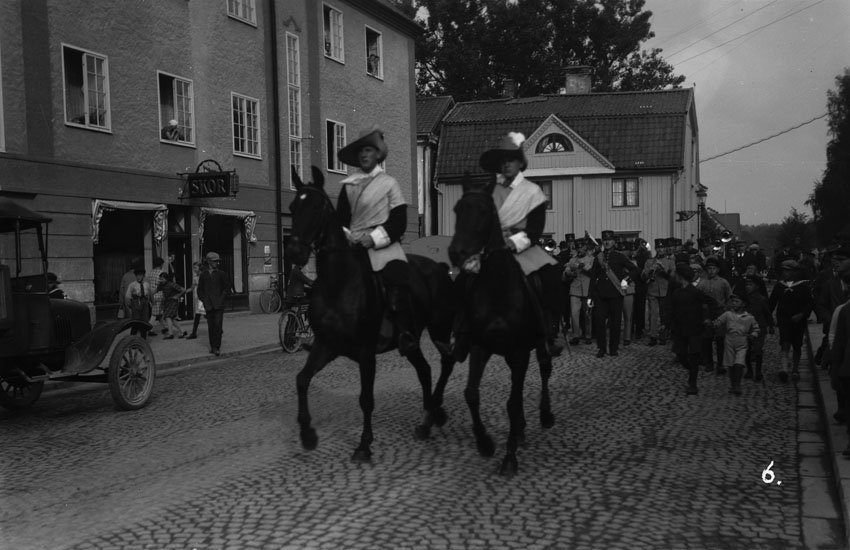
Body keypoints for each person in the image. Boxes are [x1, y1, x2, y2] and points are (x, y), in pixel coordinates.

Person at [335, 126, 420, 357]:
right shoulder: (349, 185)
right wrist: (348, 236)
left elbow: (399, 221)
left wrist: (372, 239)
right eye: (361, 151)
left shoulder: (389, 183)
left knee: (396, 277)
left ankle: (404, 333)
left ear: (378, 154)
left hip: (383, 246)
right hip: (354, 245)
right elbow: (340, 220)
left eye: (369, 150)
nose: (364, 155)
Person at [667, 265, 719, 396]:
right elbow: (672, 309)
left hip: (694, 328)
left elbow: (712, 302)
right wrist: (667, 324)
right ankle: (692, 371)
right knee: (681, 355)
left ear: (680, 277)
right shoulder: (676, 292)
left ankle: (693, 383)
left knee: (694, 355)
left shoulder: (694, 292)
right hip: (680, 329)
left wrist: (709, 318)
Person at [588, 230, 640, 357]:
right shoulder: (598, 258)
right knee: (600, 322)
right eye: (605, 240)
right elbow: (593, 277)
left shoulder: (619, 256)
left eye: (609, 240)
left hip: (616, 294)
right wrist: (590, 296)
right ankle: (601, 348)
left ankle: (613, 348)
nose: (607, 242)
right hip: (600, 295)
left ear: (614, 242)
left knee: (615, 323)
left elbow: (635, 270)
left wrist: (626, 281)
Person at [768, 259, 814, 382]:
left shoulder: (803, 286)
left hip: (799, 320)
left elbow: (809, 303)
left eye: (788, 271)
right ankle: (784, 368)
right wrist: (768, 320)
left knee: (797, 345)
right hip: (784, 319)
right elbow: (772, 303)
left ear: (795, 272)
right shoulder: (779, 286)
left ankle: (795, 369)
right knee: (785, 342)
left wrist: (802, 314)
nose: (785, 273)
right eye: (783, 271)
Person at [712, 293, 760, 396]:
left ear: (744, 304)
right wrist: (711, 324)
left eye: (736, 301)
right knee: (731, 365)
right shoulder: (728, 314)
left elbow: (756, 328)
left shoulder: (749, 318)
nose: (733, 303)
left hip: (742, 341)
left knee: (739, 363)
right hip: (729, 341)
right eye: (732, 301)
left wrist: (753, 335)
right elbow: (718, 322)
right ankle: (733, 385)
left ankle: (738, 385)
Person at [697, 256, 732, 374]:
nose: (711, 271)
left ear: (718, 270)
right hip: (707, 313)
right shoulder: (702, 283)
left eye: (714, 268)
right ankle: (709, 363)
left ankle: (720, 364)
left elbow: (729, 298)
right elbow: (697, 297)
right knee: (707, 339)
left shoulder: (723, 282)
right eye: (709, 268)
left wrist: (726, 308)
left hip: (720, 313)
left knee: (720, 339)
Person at [197, 251, 230, 356]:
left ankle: (217, 347)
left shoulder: (221, 274)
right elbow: (200, 290)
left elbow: (226, 288)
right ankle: (212, 346)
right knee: (211, 326)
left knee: (218, 326)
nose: (217, 263)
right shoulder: (204, 275)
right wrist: (204, 300)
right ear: (209, 262)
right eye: (215, 261)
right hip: (209, 305)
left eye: (218, 261)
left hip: (219, 305)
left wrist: (221, 299)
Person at [642, 238, 674, 346]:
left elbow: (672, 277)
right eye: (658, 248)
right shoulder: (649, 261)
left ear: (665, 249)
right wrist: (651, 269)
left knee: (664, 315)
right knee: (653, 315)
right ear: (655, 249)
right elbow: (643, 276)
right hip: (653, 290)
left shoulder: (670, 262)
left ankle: (663, 335)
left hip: (665, 291)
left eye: (662, 248)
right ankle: (653, 336)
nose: (660, 250)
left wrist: (663, 270)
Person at [743, 275, 774, 382]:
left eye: (750, 284)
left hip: (759, 327)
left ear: (756, 286)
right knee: (747, 349)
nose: (748, 287)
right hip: (746, 328)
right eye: (746, 284)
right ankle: (749, 370)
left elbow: (767, 313)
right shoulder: (743, 299)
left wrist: (771, 325)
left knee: (757, 349)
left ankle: (758, 371)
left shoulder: (761, 299)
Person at [564, 238, 594, 346]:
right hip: (575, 290)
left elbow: (594, 273)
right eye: (578, 248)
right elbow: (566, 273)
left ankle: (588, 335)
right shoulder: (573, 260)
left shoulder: (591, 259)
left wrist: (583, 266)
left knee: (588, 313)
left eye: (581, 247)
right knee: (574, 314)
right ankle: (575, 335)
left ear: (585, 247)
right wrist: (568, 273)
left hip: (588, 290)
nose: (579, 249)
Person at [157, 271, 188, 339]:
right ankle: (183, 331)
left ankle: (170, 333)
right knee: (172, 318)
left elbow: (183, 290)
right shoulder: (161, 285)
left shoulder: (171, 284)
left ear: (166, 279)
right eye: (160, 279)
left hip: (173, 302)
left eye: (162, 279)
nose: (161, 280)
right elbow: (156, 290)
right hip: (167, 302)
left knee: (168, 317)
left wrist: (177, 296)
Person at [125, 267, 152, 336]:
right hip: (136, 303)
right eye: (137, 275)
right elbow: (128, 296)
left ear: (143, 276)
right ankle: (133, 338)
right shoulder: (132, 285)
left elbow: (149, 293)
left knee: (144, 321)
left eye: (140, 275)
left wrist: (150, 301)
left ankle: (143, 339)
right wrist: (129, 306)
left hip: (144, 303)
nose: (138, 277)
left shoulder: (146, 284)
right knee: (136, 321)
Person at [186, 260, 206, 340]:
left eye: (195, 267)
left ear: (200, 267)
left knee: (206, 315)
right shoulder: (195, 278)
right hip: (200, 299)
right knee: (198, 315)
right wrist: (183, 292)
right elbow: (192, 288)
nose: (194, 269)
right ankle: (194, 333)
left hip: (205, 298)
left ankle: (217, 328)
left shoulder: (205, 275)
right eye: (193, 268)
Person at [147, 257, 168, 336]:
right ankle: (149, 329)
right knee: (155, 314)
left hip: (152, 294)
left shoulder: (151, 273)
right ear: (161, 264)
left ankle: (164, 328)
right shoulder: (161, 273)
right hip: (159, 295)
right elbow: (163, 284)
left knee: (159, 313)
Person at [118, 257, 142, 321]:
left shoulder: (125, 276)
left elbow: (122, 290)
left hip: (128, 300)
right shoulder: (140, 276)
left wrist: (121, 301)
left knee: (130, 318)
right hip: (138, 300)